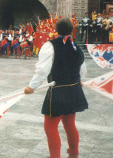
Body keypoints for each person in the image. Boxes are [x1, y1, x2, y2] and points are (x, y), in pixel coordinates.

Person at [24, 17, 88, 158]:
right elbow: (82, 68)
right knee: (69, 124)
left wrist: (31, 86)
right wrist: (80, 80)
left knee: (50, 127)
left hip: (58, 91)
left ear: (56, 29)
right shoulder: (76, 47)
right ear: (72, 29)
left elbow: (42, 71)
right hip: (74, 88)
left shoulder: (50, 45)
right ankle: (73, 153)